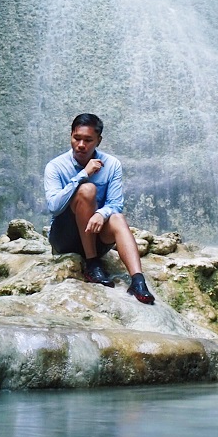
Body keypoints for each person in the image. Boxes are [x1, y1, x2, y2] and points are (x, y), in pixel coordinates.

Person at [43, 112, 155, 304]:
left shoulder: (111, 165)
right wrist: (82, 175)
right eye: (76, 138)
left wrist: (101, 214)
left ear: (98, 141)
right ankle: (92, 264)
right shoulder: (55, 166)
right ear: (71, 135)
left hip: (96, 236)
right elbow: (54, 207)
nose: (81, 145)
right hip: (65, 239)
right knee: (87, 189)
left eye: (88, 140)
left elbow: (115, 204)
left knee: (117, 217)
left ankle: (138, 280)